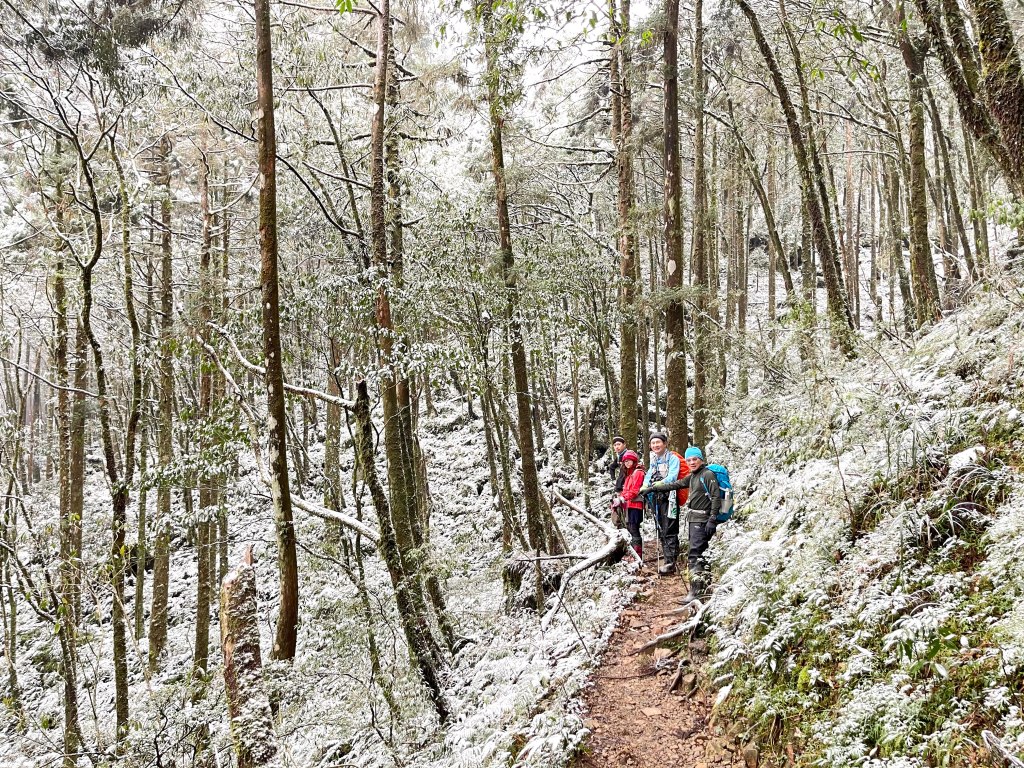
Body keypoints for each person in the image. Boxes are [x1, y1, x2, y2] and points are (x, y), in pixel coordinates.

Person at [639, 432, 689, 576]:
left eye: (658, 442)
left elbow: (673, 475)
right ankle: (669, 559)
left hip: (670, 497)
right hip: (657, 497)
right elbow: (649, 474)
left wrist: (660, 484)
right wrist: (645, 485)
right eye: (653, 443)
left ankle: (670, 562)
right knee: (661, 528)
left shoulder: (672, 458)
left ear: (665, 443)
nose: (655, 445)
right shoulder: (655, 460)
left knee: (669, 528)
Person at [680, 446, 721, 604]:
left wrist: (712, 519)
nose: (692, 462)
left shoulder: (707, 474)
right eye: (689, 460)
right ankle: (704, 588)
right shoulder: (693, 476)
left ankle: (695, 592)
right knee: (701, 553)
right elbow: (677, 484)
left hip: (702, 520)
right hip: (694, 519)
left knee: (695, 554)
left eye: (695, 459)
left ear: (701, 460)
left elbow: (716, 497)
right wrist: (653, 488)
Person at [611, 450, 646, 561]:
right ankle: (633, 554)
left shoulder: (638, 473)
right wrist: (620, 498)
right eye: (625, 461)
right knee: (630, 528)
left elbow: (635, 490)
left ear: (634, 461)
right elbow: (626, 490)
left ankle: (637, 556)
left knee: (634, 529)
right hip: (629, 505)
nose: (627, 463)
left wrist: (622, 498)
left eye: (629, 460)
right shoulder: (629, 474)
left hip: (636, 505)